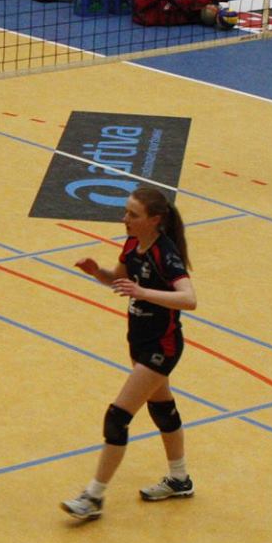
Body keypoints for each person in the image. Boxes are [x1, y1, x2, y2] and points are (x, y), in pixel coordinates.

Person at [60, 186, 198, 519]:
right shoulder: (133, 244)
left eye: (133, 215)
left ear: (155, 220)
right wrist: (98, 273)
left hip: (162, 346)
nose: (125, 219)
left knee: (117, 418)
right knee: (162, 409)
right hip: (139, 341)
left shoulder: (166, 255)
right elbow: (118, 281)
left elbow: (189, 299)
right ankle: (179, 479)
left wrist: (143, 292)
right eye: (126, 212)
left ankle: (93, 497)